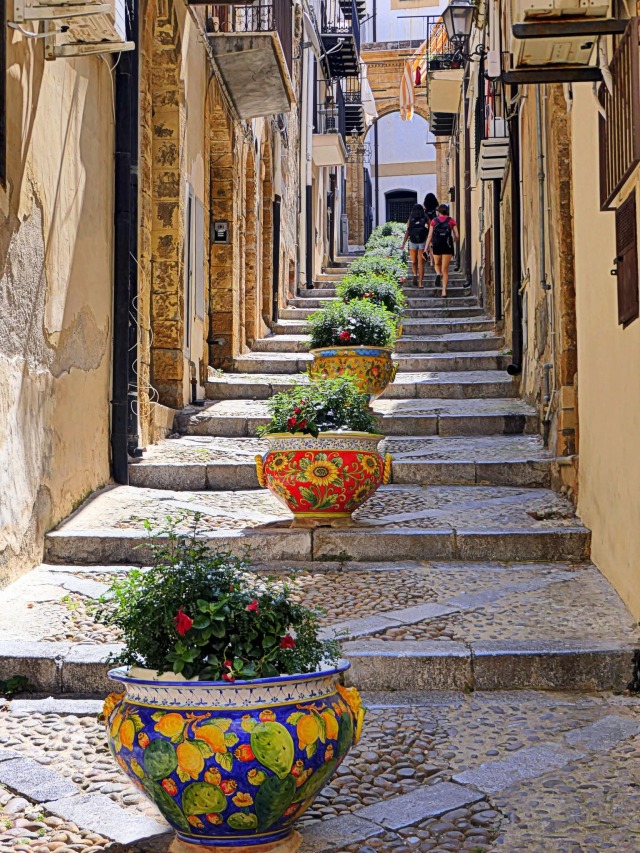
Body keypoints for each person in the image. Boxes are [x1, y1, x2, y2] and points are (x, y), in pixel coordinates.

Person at [424, 203, 459, 297]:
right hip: (447, 246)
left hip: (437, 245)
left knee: (437, 264)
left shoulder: (434, 221)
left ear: (438, 212)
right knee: (445, 270)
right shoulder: (451, 220)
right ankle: (444, 291)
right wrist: (452, 241)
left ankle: (438, 273)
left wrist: (426, 248)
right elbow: (457, 235)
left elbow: (430, 235)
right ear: (447, 211)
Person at [400, 204, 428, 287]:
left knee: (414, 261)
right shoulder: (425, 217)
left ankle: (415, 274)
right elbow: (430, 229)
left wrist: (403, 243)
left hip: (412, 242)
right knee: (421, 264)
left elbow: (408, 231)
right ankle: (420, 284)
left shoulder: (410, 218)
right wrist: (429, 243)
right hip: (422, 242)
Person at [422, 193, 439, 266]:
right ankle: (434, 259)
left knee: (430, 244)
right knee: (434, 244)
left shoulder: (425, 212)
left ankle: (432, 260)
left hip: (428, 229)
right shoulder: (436, 211)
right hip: (436, 228)